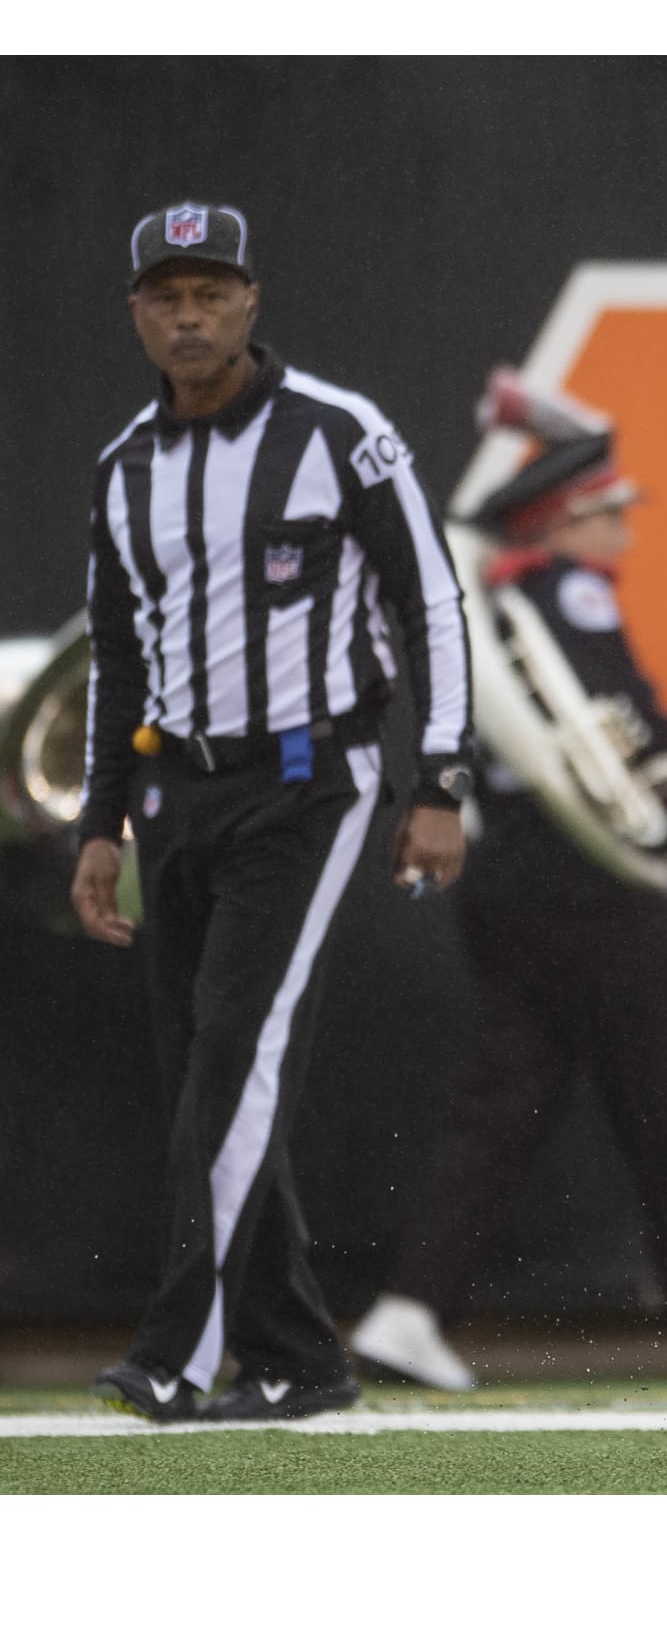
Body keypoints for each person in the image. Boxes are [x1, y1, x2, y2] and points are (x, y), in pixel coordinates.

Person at [78, 202, 472, 1424]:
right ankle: (298, 1355)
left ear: (251, 301)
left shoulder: (340, 433)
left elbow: (432, 604)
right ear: (137, 313)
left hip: (310, 780)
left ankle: (177, 1348)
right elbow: (115, 658)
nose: (190, 316)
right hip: (173, 791)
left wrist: (441, 779)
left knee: (235, 1059)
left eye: (212, 292)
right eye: (167, 296)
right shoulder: (125, 465)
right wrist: (99, 822)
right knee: (206, 1075)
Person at [346, 374, 667, 1394]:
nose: (623, 528)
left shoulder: (506, 605)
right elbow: (628, 740)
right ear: (562, 522)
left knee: (506, 1104)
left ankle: (409, 1312)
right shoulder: (566, 595)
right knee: (666, 1102)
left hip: (513, 879)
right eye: (606, 512)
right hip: (590, 884)